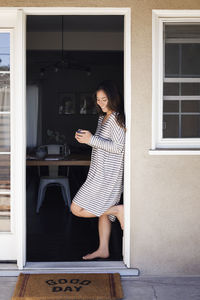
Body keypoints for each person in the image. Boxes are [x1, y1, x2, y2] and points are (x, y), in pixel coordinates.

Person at [71, 80, 126, 260]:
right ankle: (103, 249)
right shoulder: (102, 118)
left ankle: (118, 211)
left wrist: (91, 139)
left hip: (109, 175)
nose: (100, 103)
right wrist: (87, 139)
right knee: (103, 211)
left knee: (76, 208)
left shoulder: (116, 118)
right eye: (98, 99)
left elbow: (119, 147)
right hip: (98, 173)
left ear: (113, 99)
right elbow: (100, 144)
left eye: (104, 99)